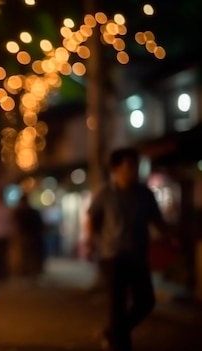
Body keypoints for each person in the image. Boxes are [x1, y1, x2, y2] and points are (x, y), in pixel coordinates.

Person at [86, 147, 170, 351]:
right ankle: (120, 343)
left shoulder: (144, 194)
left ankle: (114, 333)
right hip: (113, 256)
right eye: (129, 166)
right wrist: (90, 241)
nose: (134, 170)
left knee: (146, 301)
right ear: (116, 169)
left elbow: (157, 220)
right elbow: (91, 218)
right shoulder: (106, 194)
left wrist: (170, 238)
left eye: (136, 165)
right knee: (117, 305)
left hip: (137, 255)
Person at [10, 194, 45, 282]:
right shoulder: (29, 212)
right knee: (26, 257)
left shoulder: (21, 212)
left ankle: (29, 274)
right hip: (27, 237)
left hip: (28, 237)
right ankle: (28, 274)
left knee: (28, 257)